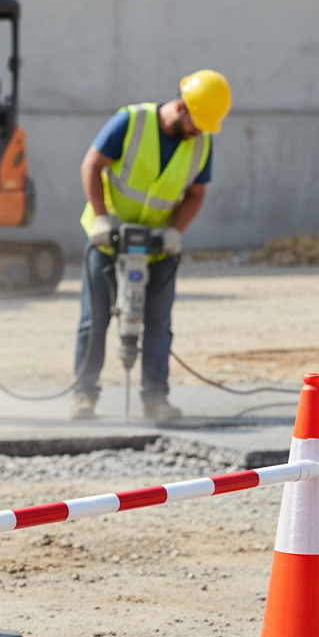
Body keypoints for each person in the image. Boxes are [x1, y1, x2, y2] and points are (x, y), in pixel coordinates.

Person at [71, 70, 232, 421]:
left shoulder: (201, 142)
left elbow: (196, 194)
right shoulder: (130, 121)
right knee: (94, 320)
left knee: (158, 323)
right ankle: (84, 397)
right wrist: (101, 219)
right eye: (195, 124)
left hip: (158, 248)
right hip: (109, 240)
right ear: (180, 106)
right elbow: (92, 165)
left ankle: (155, 400)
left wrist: (175, 231)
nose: (198, 132)